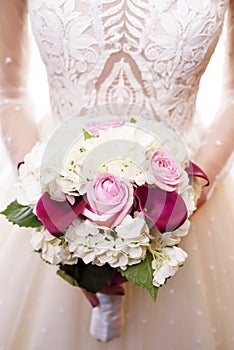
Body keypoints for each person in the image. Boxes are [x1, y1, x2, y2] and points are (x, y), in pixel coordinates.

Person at [0, 0, 234, 349]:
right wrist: (56, 212)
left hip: (186, 202)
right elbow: (9, 92)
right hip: (56, 195)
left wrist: (180, 203)